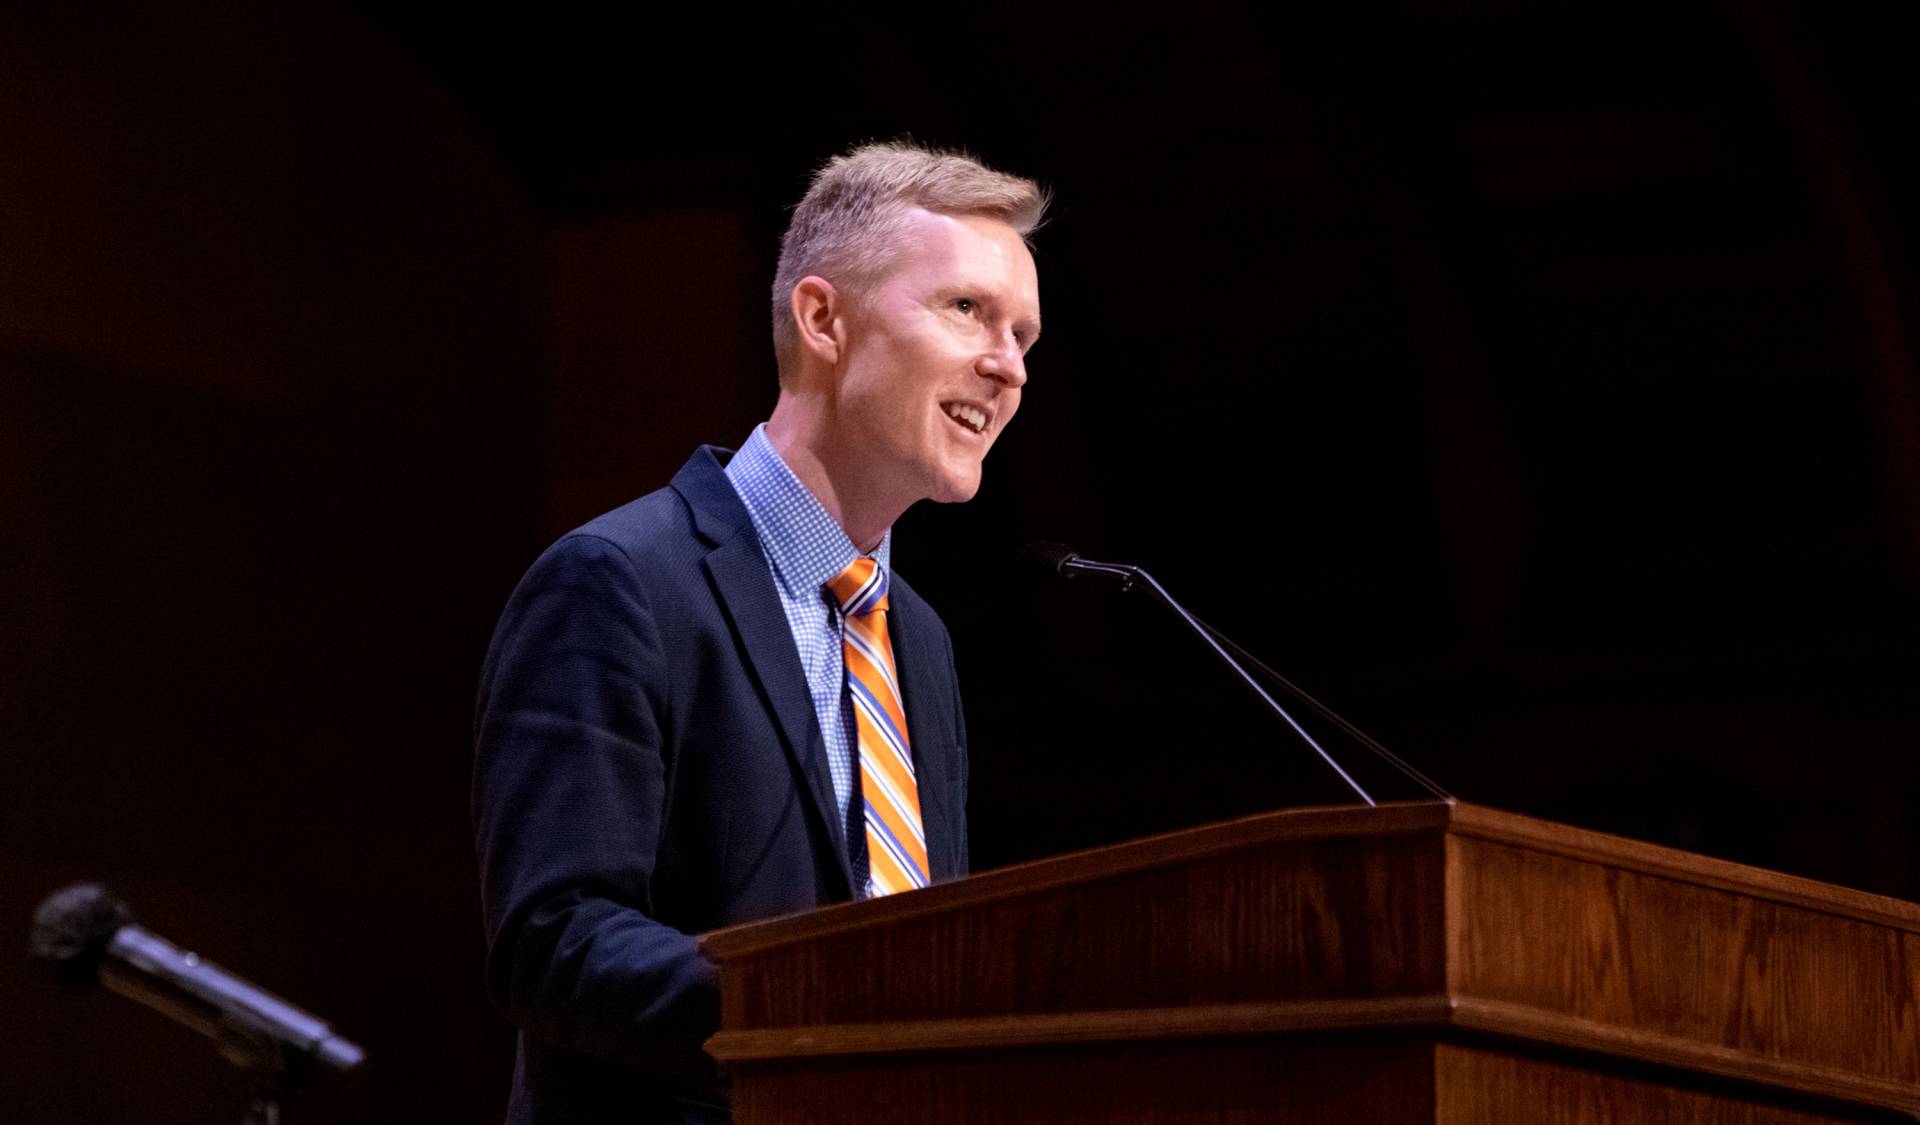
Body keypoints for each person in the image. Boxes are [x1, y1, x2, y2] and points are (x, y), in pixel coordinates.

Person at [472, 142, 1045, 1124]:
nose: (1009, 367)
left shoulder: (921, 639)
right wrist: (830, 1011)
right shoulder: (617, 583)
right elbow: (552, 943)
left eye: (1024, 335)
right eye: (967, 310)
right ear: (823, 320)